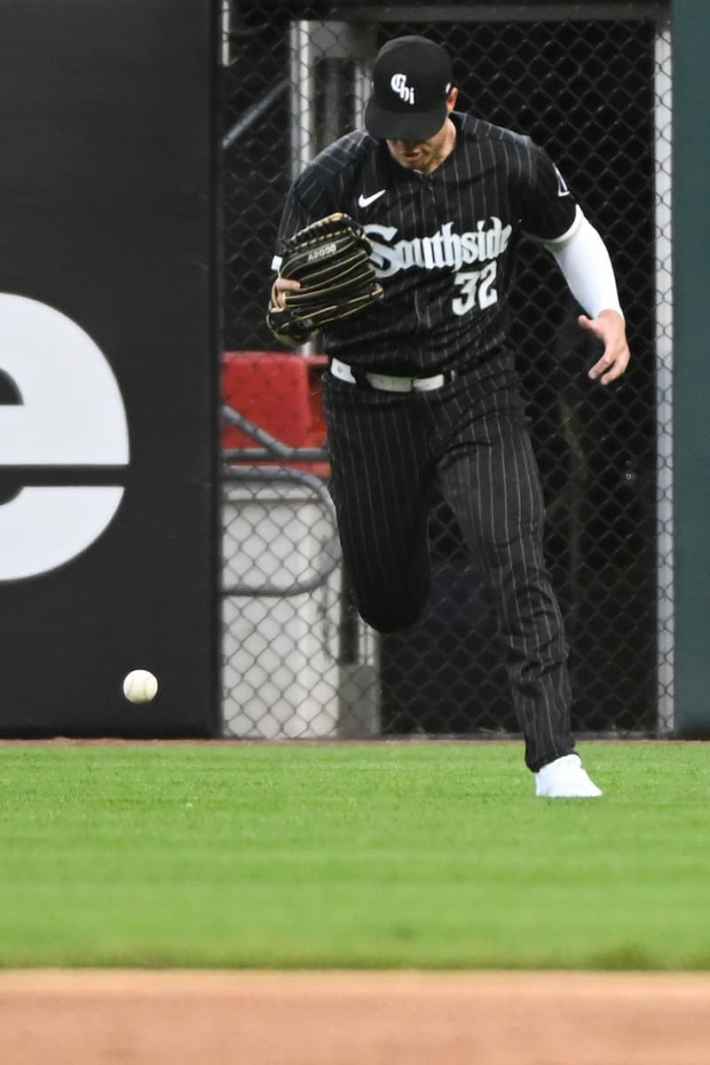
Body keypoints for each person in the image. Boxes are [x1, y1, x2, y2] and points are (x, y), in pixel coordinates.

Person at [269, 36, 630, 797]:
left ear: (453, 105)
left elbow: (571, 235)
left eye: (421, 131)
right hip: (367, 400)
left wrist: (608, 311)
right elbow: (286, 304)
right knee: (389, 605)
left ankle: (556, 756)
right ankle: (403, 545)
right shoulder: (332, 177)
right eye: (393, 132)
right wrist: (287, 306)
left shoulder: (508, 160)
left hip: (476, 388)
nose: (408, 147)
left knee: (515, 555)